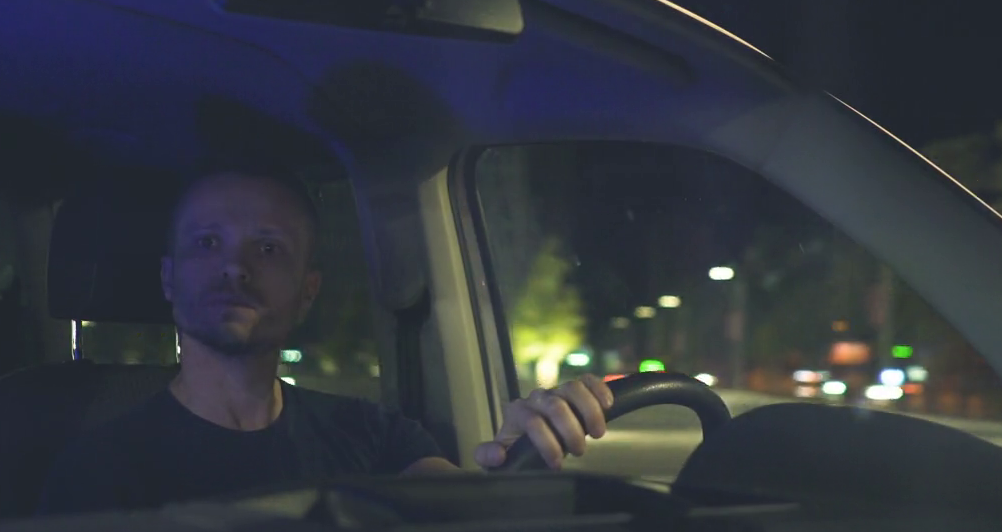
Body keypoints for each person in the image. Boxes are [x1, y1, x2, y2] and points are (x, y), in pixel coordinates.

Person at [38, 164, 611, 513]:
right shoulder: (98, 468)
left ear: (308, 290)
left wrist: (516, 461)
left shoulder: (373, 435)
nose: (235, 267)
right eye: (207, 243)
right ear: (168, 278)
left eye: (268, 248)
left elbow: (460, 517)